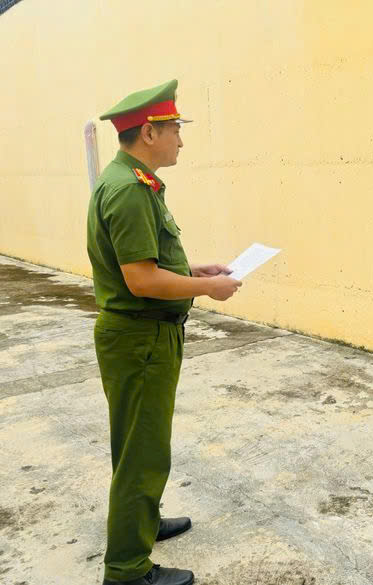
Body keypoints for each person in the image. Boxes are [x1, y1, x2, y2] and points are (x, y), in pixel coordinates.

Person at [87, 79, 242, 585]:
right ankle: (128, 569)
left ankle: (142, 524)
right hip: (140, 340)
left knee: (138, 444)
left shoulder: (130, 180)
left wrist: (195, 272)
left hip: (140, 336)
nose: (181, 139)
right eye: (175, 128)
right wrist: (210, 291)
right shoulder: (131, 189)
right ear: (149, 132)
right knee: (143, 451)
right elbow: (140, 278)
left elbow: (149, 261)